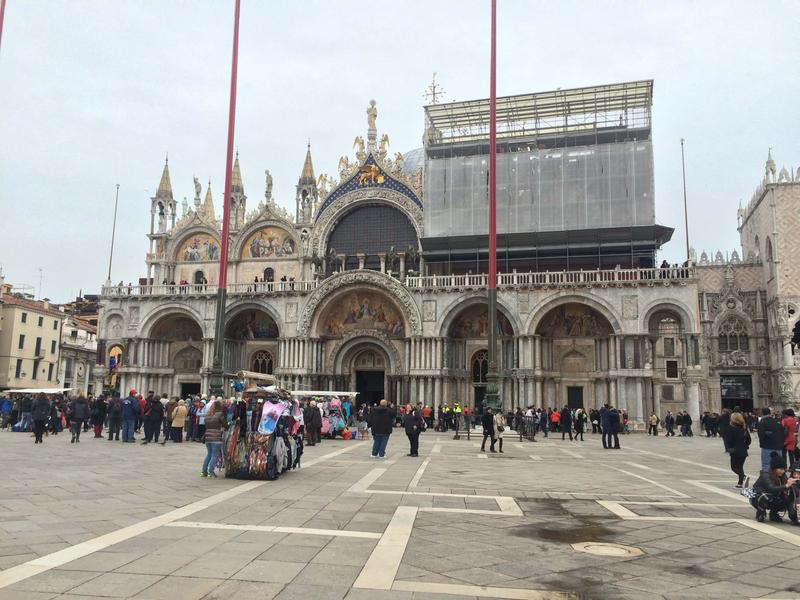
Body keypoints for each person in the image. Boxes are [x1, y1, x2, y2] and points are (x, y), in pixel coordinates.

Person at [750, 452, 798, 524]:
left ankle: (774, 513)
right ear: (774, 469)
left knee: (786, 498)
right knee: (765, 496)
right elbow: (771, 488)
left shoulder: (783, 476)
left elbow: (785, 489)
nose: (783, 471)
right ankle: (761, 512)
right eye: (781, 469)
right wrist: (786, 486)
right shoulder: (765, 475)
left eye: (784, 469)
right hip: (758, 498)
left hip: (773, 498)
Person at [202, 399, 228, 478]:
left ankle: (204, 471)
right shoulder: (219, 414)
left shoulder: (208, 414)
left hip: (207, 436)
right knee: (214, 455)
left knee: (209, 454)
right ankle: (211, 472)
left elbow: (206, 426)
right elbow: (225, 425)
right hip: (216, 436)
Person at [725, 412, 751, 488]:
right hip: (743, 450)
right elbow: (749, 439)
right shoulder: (744, 427)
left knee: (734, 467)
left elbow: (729, 440)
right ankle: (740, 483)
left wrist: (729, 448)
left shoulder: (731, 427)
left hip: (735, 450)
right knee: (740, 467)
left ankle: (744, 477)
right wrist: (745, 446)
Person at [756, 408, 785, 472]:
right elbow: (783, 433)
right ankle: (778, 480)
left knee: (766, 465)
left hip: (767, 446)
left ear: (762, 413)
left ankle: (767, 480)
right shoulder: (777, 421)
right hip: (778, 446)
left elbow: (761, 434)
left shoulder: (762, 422)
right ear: (770, 413)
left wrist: (762, 443)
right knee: (778, 465)